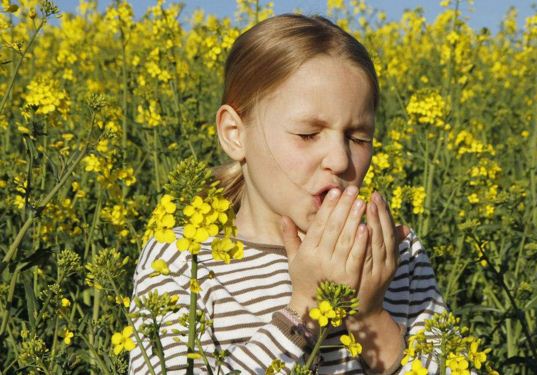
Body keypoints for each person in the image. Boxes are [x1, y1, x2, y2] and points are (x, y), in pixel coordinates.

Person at [129, 13, 447, 375]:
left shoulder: (394, 254)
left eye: (359, 137)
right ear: (235, 133)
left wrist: (371, 315)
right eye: (308, 134)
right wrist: (303, 310)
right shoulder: (185, 255)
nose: (341, 160)